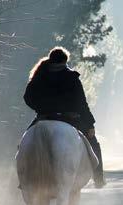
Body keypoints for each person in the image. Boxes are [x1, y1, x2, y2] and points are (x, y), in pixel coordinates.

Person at [23, 46, 106, 188]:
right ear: (65, 61)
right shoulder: (71, 76)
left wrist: (41, 109)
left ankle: (22, 180)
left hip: (44, 117)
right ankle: (98, 178)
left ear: (51, 60)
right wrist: (90, 124)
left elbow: (27, 97)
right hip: (69, 119)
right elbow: (82, 103)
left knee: (23, 145)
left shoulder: (40, 74)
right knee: (93, 144)